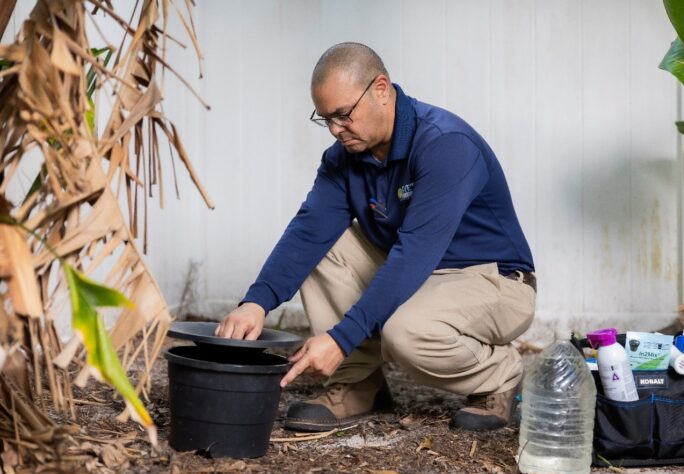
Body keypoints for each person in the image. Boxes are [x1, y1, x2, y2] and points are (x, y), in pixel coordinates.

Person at [216, 42, 536, 432]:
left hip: (491, 280)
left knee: (406, 332)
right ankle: (358, 383)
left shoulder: (445, 144)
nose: (335, 130)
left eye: (343, 115)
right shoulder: (344, 157)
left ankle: (499, 376)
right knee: (324, 246)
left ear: (381, 89)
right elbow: (309, 232)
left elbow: (415, 253)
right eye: (325, 119)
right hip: (418, 272)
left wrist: (341, 338)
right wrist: (256, 302)